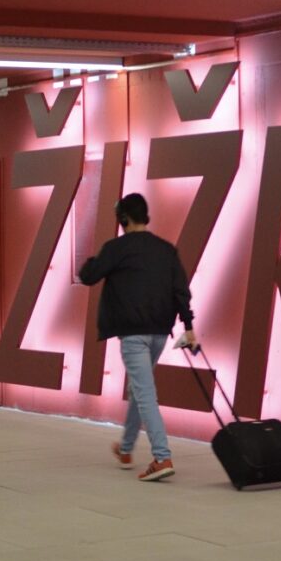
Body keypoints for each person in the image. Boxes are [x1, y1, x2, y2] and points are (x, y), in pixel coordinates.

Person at [78, 193, 196, 482]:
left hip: (133, 334)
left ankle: (162, 456)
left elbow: (89, 275)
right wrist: (188, 326)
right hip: (159, 332)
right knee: (139, 389)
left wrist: (95, 258)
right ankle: (126, 448)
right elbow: (181, 290)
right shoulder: (166, 250)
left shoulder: (117, 248)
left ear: (123, 219)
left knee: (144, 392)